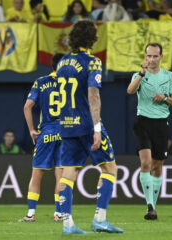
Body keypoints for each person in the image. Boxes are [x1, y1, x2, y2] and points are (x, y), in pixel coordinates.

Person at [55, 20, 123, 234]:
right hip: (86, 124)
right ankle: (100, 220)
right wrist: (96, 128)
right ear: (92, 38)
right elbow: (93, 96)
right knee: (110, 168)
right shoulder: (92, 62)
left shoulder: (62, 62)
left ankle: (68, 224)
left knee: (68, 173)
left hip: (66, 124)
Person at [127, 42, 172, 220]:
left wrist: (164, 98)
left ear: (161, 57)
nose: (151, 59)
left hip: (160, 124)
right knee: (146, 163)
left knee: (157, 166)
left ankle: (154, 206)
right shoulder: (139, 75)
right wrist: (141, 74)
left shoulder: (168, 76)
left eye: (154, 56)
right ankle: (149, 206)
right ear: (145, 57)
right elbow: (130, 90)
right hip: (142, 122)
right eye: (148, 56)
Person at [20, 53, 66, 223]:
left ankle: (31, 214)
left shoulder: (41, 82)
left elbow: (27, 107)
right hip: (65, 133)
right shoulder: (70, 83)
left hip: (46, 132)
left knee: (37, 173)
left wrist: (32, 130)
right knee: (61, 174)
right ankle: (59, 213)